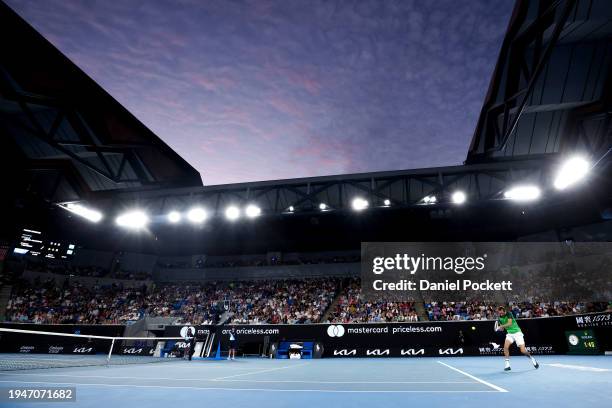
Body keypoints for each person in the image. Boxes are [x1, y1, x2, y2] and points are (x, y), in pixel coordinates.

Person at [496, 306, 539, 371]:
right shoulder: (499, 318)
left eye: (502, 313)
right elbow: (502, 329)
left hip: (517, 333)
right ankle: (507, 365)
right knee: (505, 347)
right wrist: (499, 328)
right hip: (510, 334)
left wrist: (501, 326)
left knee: (523, 351)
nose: (501, 314)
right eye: (500, 313)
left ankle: (532, 359)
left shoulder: (509, 314)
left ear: (504, 310)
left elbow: (509, 323)